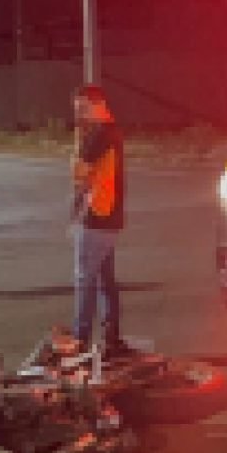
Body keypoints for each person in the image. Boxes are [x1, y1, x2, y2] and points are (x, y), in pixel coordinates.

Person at [70, 85, 135, 357]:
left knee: (85, 279)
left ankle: (80, 341)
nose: (80, 115)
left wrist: (78, 142)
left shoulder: (97, 135)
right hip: (111, 215)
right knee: (105, 280)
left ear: (98, 104)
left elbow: (78, 172)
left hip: (97, 215)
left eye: (83, 108)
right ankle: (111, 338)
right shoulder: (113, 131)